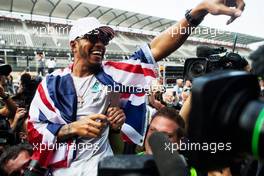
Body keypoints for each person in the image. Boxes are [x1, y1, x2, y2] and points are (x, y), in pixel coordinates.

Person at [27, 0, 245, 175]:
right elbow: (33, 131)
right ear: (73, 44)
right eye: (93, 37)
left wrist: (200, 10)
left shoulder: (112, 74)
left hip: (104, 169)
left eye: (104, 39)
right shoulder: (50, 84)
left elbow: (156, 48)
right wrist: (72, 128)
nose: (101, 43)